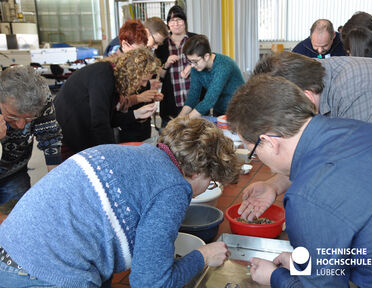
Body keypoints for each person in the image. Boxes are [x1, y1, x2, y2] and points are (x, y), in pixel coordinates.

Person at [0, 117, 242, 287]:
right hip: (41, 273)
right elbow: (151, 283)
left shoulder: (141, 153)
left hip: (9, 249)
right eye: (211, 182)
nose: (200, 193)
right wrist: (203, 256)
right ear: (200, 170)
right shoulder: (173, 187)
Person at [227, 74, 372, 287]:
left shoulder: (306, 199)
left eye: (252, 151)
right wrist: (310, 264)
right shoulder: (351, 127)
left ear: (269, 142)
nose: (258, 159)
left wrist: (275, 277)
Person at [237, 51, 372, 222]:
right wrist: (274, 185)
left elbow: (358, 177)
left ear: (306, 98)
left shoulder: (358, 93)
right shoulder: (302, 82)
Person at [54, 48, 161, 160]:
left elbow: (109, 119)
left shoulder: (112, 78)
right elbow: (100, 122)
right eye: (143, 80)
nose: (144, 85)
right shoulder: (103, 74)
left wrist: (136, 114)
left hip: (79, 130)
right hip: (67, 132)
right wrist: (112, 157)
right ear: (133, 74)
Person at [0, 66, 62, 214]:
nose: (21, 126)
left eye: (29, 118)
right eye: (13, 117)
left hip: (14, 172)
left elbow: (50, 137)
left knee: (18, 219)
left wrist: (57, 187)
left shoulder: (40, 97)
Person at [105, 19, 166, 143]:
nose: (155, 47)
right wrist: (138, 98)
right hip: (125, 124)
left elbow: (143, 83)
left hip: (141, 120)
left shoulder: (144, 55)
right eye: (155, 42)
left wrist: (150, 94)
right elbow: (115, 104)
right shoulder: (115, 61)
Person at [155, 5, 202, 127]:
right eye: (172, 20)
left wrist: (192, 65)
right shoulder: (161, 45)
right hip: (171, 106)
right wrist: (166, 64)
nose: (176, 23)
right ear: (168, 24)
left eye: (179, 20)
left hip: (196, 104)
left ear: (185, 22)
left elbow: (206, 62)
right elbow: (159, 77)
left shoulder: (196, 39)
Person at [178, 35, 245, 119]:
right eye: (190, 61)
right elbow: (193, 96)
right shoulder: (196, 67)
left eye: (195, 61)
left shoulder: (224, 65)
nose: (192, 65)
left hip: (240, 109)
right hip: (220, 111)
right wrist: (179, 118)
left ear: (206, 56)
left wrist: (183, 122)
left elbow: (210, 99)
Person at [104, 17, 168, 56]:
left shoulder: (143, 48)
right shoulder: (120, 45)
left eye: (158, 44)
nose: (156, 47)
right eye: (155, 42)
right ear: (146, 32)